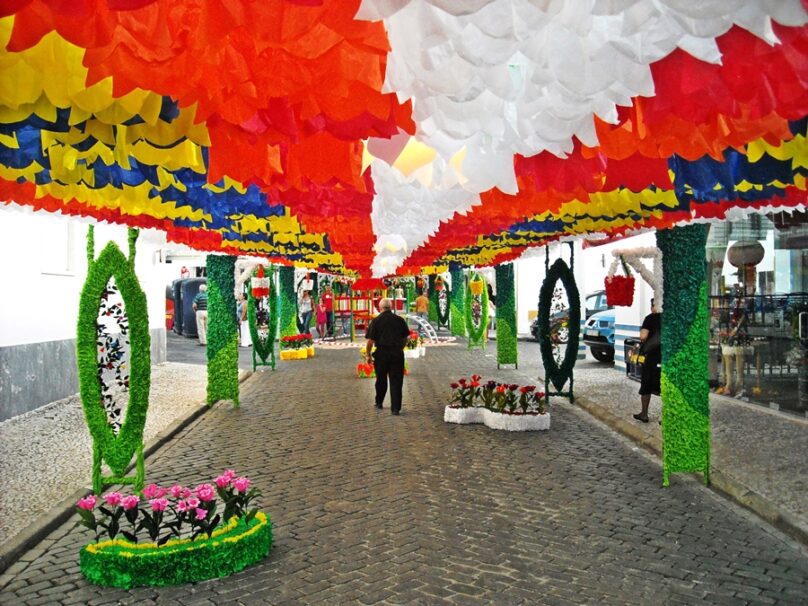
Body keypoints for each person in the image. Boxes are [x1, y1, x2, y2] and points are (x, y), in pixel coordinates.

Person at [365, 298, 410, 415]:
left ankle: (379, 401)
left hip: (381, 354)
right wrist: (401, 347)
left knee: (381, 379)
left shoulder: (376, 321)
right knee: (396, 380)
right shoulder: (399, 320)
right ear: (391, 307)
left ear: (380, 308)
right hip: (397, 353)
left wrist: (368, 355)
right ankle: (395, 408)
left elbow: (370, 341)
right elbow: (405, 337)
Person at [634, 298, 661, 423]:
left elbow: (643, 336)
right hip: (666, 356)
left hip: (652, 357)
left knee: (646, 385)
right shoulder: (670, 318)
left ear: (653, 306)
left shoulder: (650, 318)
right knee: (664, 386)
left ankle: (644, 413)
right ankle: (666, 417)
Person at [717, 301, 748, 397]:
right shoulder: (729, 313)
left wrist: (734, 331)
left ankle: (738, 384)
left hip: (739, 339)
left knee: (738, 359)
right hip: (732, 339)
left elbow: (742, 323)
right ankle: (730, 384)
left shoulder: (741, 311)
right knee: (729, 358)